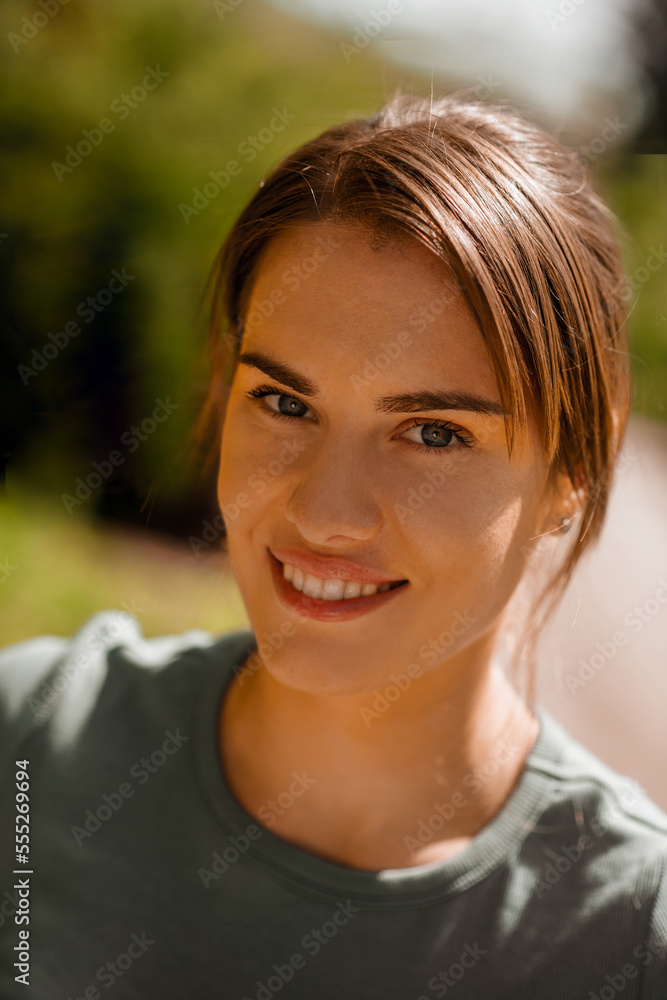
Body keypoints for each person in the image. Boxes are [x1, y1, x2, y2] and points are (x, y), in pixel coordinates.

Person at [1, 91, 666, 999]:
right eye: (284, 403)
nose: (325, 514)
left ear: (572, 469)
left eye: (433, 433)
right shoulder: (30, 746)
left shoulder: (629, 939)